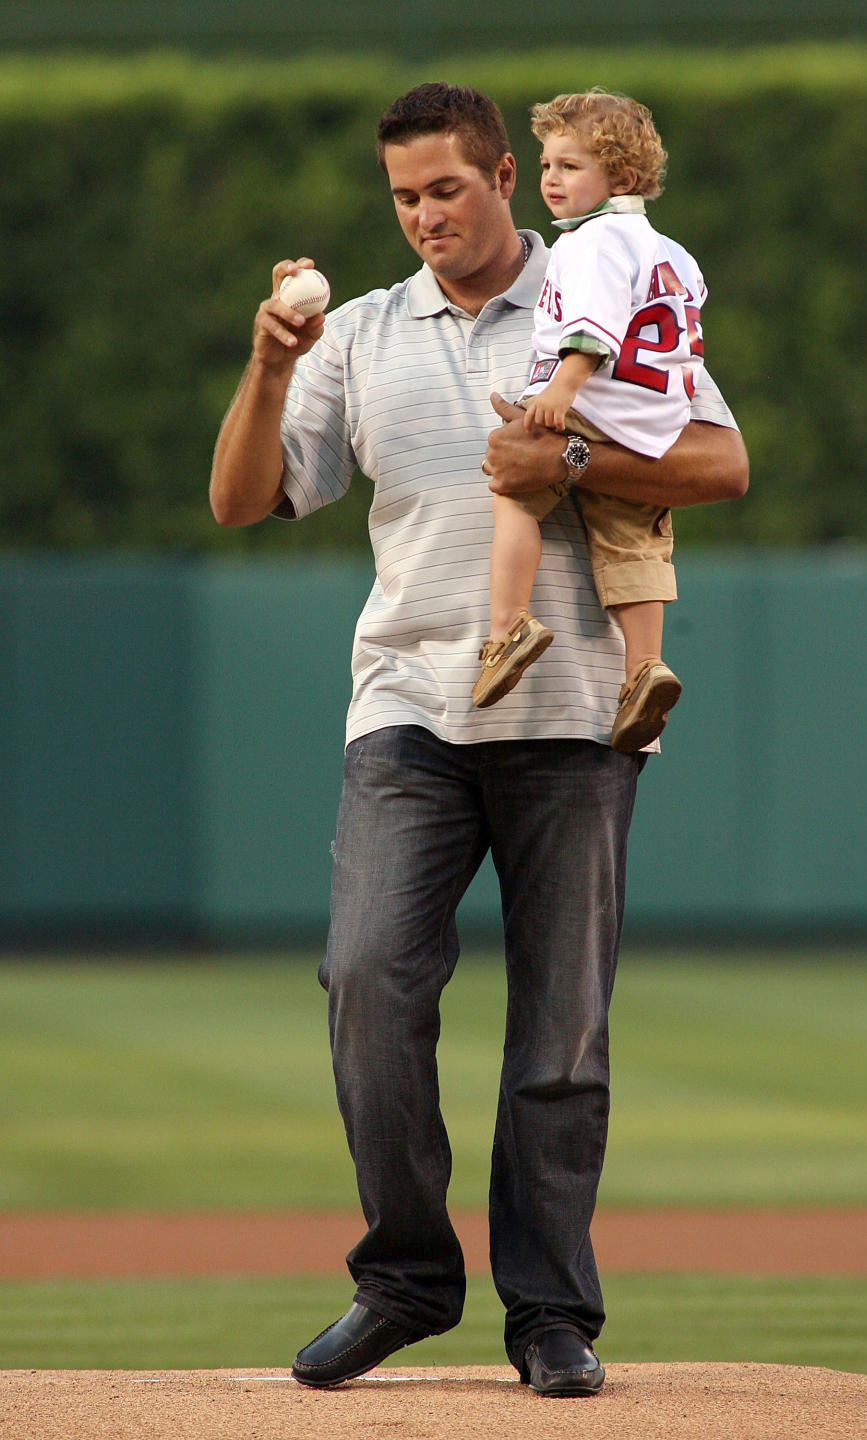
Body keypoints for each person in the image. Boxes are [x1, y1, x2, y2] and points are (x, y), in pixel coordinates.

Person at [210, 81, 747, 1397]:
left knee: (562, 1038)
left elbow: (720, 463)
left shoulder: (590, 283)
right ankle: (404, 1279)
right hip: (409, 713)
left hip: (571, 720)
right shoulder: (358, 332)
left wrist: (565, 465)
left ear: (506, 175)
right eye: (402, 196)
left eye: (446, 188)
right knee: (365, 982)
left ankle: (551, 1316)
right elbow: (243, 498)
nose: (423, 216)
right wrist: (273, 359)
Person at [473, 90, 703, 754]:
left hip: (590, 403)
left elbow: (592, 330)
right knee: (634, 544)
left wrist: (559, 391)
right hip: (652, 419)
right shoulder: (671, 252)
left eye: (570, 166)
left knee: (514, 493)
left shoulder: (587, 243)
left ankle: (509, 625)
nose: (551, 178)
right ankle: (643, 671)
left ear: (622, 179)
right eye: (548, 164)